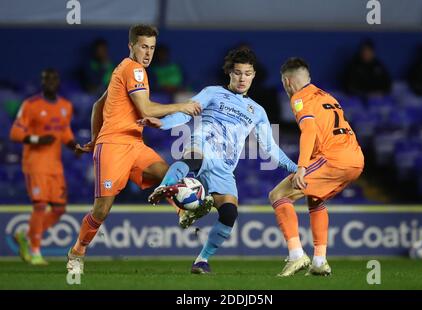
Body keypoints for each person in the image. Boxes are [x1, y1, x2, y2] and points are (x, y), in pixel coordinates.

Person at [146, 47, 297, 274]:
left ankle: (201, 261)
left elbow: (270, 148)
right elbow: (187, 111)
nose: (242, 78)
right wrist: (164, 123)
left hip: (224, 168)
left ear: (254, 75)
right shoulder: (212, 92)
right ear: (230, 73)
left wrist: (296, 168)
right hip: (203, 146)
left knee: (229, 214)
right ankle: (165, 187)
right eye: (237, 72)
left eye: (247, 73)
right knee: (193, 159)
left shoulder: (257, 111)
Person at [66, 24, 201, 274]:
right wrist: (182, 105)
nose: (148, 53)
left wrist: (94, 138)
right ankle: (77, 251)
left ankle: (182, 212)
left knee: (169, 174)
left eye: (152, 47)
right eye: (143, 47)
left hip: (134, 144)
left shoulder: (123, 69)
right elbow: (146, 110)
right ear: (131, 46)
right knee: (102, 210)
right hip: (114, 147)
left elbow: (98, 106)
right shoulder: (134, 69)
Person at [269, 58, 364, 276]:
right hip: (355, 159)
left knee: (277, 195)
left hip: (334, 158)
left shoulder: (299, 99)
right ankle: (319, 261)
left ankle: (296, 255)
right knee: (315, 199)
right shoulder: (327, 96)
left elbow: (310, 131)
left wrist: (302, 167)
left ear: (287, 81)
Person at [9, 68, 85, 265]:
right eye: (46, 79)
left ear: (58, 82)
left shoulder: (65, 106)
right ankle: (35, 251)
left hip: (55, 165)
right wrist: (37, 139)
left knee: (59, 209)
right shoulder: (30, 105)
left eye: (53, 78)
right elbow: (15, 133)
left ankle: (26, 235)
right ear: (42, 82)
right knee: (40, 205)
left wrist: (73, 146)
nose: (50, 82)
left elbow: (65, 132)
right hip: (35, 163)